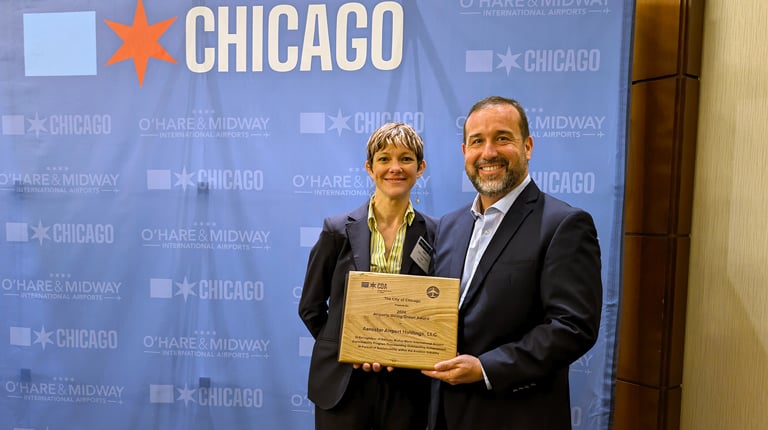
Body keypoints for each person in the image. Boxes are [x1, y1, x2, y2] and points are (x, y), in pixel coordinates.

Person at [421, 96, 603, 429]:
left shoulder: (564, 224)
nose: (488, 152)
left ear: (528, 146)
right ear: (465, 152)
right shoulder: (449, 225)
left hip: (515, 415)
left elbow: (573, 327)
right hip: (443, 415)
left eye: (502, 138)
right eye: (477, 141)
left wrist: (487, 368)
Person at [299, 122, 436, 430]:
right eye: (384, 159)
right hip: (343, 385)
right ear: (369, 167)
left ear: (421, 167)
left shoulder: (436, 233)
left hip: (407, 387)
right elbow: (311, 307)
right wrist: (348, 346)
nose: (395, 168)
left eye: (406, 158)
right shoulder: (337, 230)